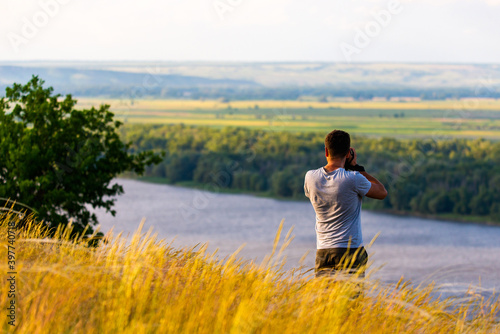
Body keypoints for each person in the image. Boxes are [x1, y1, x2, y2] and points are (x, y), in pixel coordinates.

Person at [304, 129, 387, 279]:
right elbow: (382, 192)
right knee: (352, 301)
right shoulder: (354, 178)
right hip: (350, 251)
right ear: (349, 153)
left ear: (326, 151)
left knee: (325, 301)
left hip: (323, 251)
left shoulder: (310, 177)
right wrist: (357, 168)